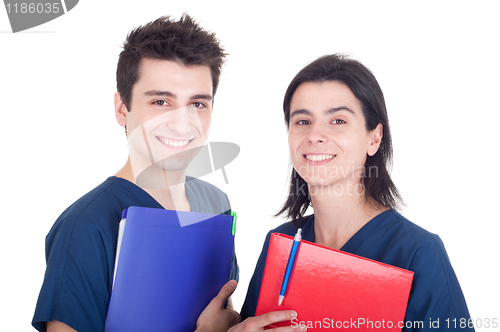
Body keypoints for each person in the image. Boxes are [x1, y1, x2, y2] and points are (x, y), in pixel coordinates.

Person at [32, 15, 244, 332]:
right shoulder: (86, 226)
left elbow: (223, 314)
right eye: (161, 101)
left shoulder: (216, 203)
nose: (183, 124)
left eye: (198, 103)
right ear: (122, 109)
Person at [240, 54, 475, 331]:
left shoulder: (417, 252)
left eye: (338, 121)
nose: (315, 135)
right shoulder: (281, 243)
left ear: (374, 138)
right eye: (302, 121)